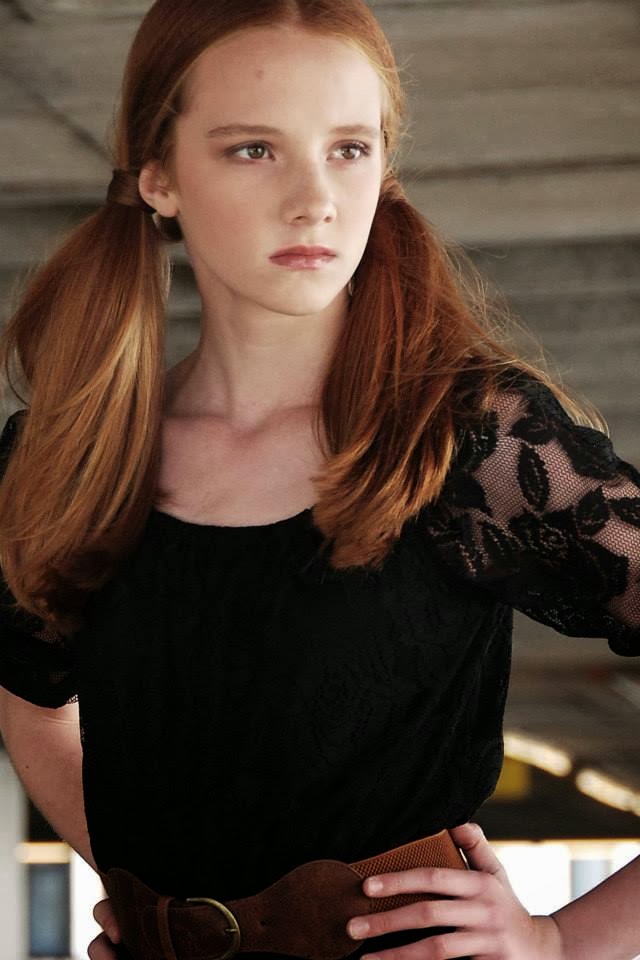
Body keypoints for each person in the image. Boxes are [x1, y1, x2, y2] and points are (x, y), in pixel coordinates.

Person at [0, 1, 638, 958]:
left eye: (348, 149)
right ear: (159, 176)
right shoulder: (68, 455)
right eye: (254, 150)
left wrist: (561, 941)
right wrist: (162, 899)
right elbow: (29, 693)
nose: (315, 199)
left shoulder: (468, 441)